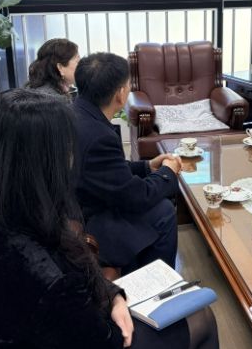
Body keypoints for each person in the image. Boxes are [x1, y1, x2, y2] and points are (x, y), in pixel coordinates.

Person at [0, 89, 219, 349]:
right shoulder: (45, 276)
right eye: (67, 149)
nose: (72, 159)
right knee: (201, 319)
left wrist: (113, 295)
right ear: (42, 162)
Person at [72, 52, 182, 273]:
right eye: (129, 85)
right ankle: (155, 286)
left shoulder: (76, 113)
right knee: (163, 211)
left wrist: (147, 167)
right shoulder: (98, 136)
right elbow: (136, 198)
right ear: (121, 94)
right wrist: (167, 172)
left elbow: (106, 172)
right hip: (86, 221)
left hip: (80, 203)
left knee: (159, 206)